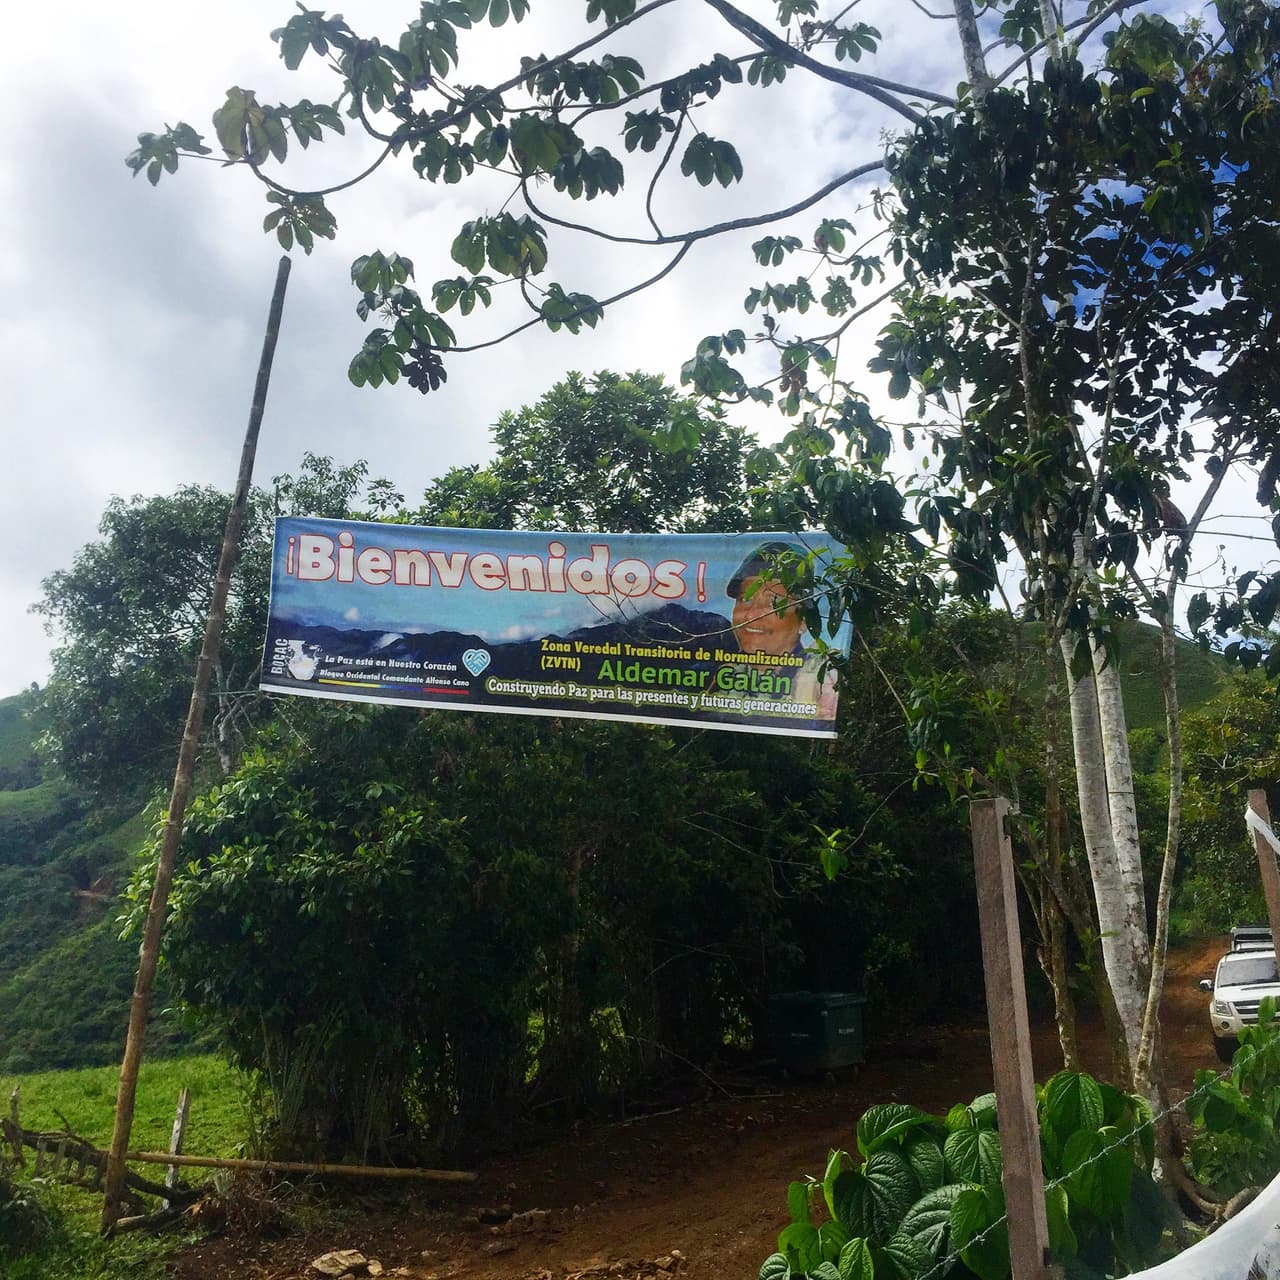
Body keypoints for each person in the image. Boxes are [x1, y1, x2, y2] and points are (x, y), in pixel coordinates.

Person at [725, 542, 839, 719]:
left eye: (774, 603)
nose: (751, 616)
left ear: (803, 621)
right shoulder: (723, 674)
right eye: (745, 600)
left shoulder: (820, 679)